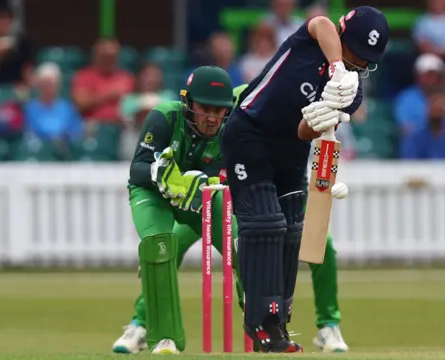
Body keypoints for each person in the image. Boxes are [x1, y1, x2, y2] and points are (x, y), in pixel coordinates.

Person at [111, 84, 350, 355]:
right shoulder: (242, 107)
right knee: (167, 247)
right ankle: (141, 324)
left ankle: (325, 325)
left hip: (267, 200)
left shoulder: (290, 117)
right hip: (214, 200)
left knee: (321, 243)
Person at [220, 6, 389, 353]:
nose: (357, 63)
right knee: (265, 223)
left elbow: (303, 133)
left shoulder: (351, 93)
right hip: (250, 132)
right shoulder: (313, 41)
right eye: (354, 52)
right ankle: (259, 320)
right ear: (344, 38)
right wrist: (338, 68)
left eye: (362, 60)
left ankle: (278, 319)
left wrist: (325, 109)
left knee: (292, 228)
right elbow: (321, 23)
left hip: (290, 148)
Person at [112, 66, 235, 355]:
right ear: (188, 102)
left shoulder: (232, 130)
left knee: (241, 246)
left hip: (200, 201)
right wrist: (163, 175)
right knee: (160, 247)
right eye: (205, 108)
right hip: (155, 195)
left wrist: (204, 183)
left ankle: (266, 329)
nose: (212, 118)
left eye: (219, 111)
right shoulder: (165, 116)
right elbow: (137, 169)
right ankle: (153, 332)